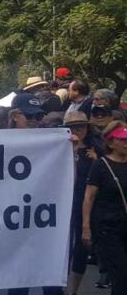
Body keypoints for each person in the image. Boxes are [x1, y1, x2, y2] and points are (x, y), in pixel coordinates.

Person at [82, 120, 127, 295]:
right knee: (121, 275)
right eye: (122, 139)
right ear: (110, 142)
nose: (126, 143)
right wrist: (86, 227)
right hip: (108, 228)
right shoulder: (100, 166)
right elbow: (89, 197)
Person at [65, 112, 103, 295]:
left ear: (87, 128)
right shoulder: (60, 148)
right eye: (73, 127)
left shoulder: (95, 150)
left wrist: (97, 161)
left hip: (85, 203)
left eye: (81, 126)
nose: (77, 130)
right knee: (63, 246)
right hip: (64, 203)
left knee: (80, 247)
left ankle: (73, 291)